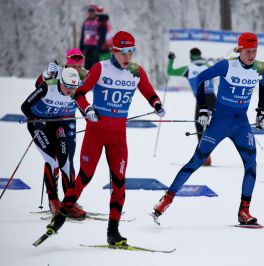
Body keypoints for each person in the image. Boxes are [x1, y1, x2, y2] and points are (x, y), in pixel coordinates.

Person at [46, 31, 166, 245]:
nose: (128, 57)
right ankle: (59, 220)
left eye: (132, 51)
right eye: (124, 52)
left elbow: (149, 92)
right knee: (84, 178)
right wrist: (88, 110)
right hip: (96, 133)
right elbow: (79, 93)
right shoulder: (101, 68)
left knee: (119, 182)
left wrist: (156, 104)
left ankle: (113, 232)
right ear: (114, 51)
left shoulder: (136, 71)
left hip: (118, 137)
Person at [151, 32, 264, 226]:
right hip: (219, 123)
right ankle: (166, 200)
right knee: (196, 161)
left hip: (241, 123)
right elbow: (202, 79)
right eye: (248, 51)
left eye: (254, 51)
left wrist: (260, 111)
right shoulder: (227, 65)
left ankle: (244, 211)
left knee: (251, 164)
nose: (251, 55)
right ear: (239, 49)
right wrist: (204, 108)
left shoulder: (260, 67)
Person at [21, 68, 86, 219]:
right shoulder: (47, 86)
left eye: (73, 86)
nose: (70, 90)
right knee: (52, 161)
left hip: (58, 124)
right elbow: (25, 106)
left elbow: (83, 108)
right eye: (67, 86)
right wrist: (34, 119)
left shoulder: (75, 92)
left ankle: (70, 202)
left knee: (66, 163)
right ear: (60, 81)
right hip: (40, 125)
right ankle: (53, 200)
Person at [167, 47, 216, 165]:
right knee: (221, 126)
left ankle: (205, 156)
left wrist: (171, 60)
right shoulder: (208, 66)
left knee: (200, 127)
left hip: (201, 100)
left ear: (190, 57)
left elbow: (170, 72)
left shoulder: (188, 69)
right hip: (213, 98)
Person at [79, 4, 100, 70]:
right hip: (87, 47)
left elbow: (101, 36)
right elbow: (82, 36)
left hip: (95, 48)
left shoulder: (98, 21)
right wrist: (81, 49)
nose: (91, 12)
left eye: (93, 11)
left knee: (96, 66)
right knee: (87, 67)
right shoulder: (86, 22)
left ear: (95, 12)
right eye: (90, 11)